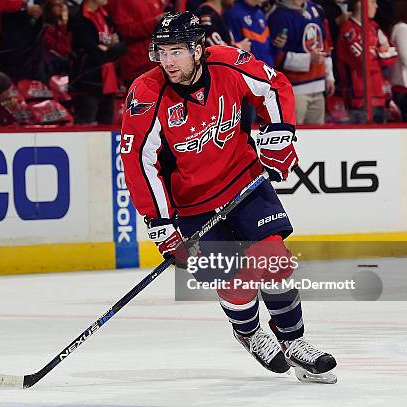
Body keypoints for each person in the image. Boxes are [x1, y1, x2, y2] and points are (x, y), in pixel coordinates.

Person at [120, 12, 337, 382]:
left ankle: (296, 342)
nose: (168, 61)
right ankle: (249, 332)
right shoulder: (146, 93)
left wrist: (279, 135)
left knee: (273, 258)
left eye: (177, 51)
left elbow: (274, 86)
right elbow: (138, 162)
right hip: (191, 202)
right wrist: (160, 224)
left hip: (243, 180)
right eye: (162, 52)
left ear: (197, 50)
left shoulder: (228, 62)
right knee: (233, 280)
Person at [268, 0, 335, 124]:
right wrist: (308, 60)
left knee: (319, 138)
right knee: (294, 136)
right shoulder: (279, 16)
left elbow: (325, 44)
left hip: (319, 88)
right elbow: (276, 57)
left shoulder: (316, 9)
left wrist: (329, 75)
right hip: (295, 92)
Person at [337, 0, 397, 123]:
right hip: (359, 100)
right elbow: (365, 62)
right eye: (373, 2)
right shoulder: (348, 30)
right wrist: (380, 53)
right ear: (360, 3)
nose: (377, 5)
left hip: (380, 97)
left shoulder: (374, 27)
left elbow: (393, 55)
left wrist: (375, 53)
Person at [69, 0, 127, 124]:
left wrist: (106, 48)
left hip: (109, 83)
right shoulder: (78, 18)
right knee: (85, 125)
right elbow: (92, 52)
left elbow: (123, 46)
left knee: (107, 126)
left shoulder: (105, 16)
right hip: (87, 82)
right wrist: (110, 46)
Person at [106, 0, 167, 87]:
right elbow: (124, 31)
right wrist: (154, 23)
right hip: (136, 64)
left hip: (156, 62)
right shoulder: (122, 2)